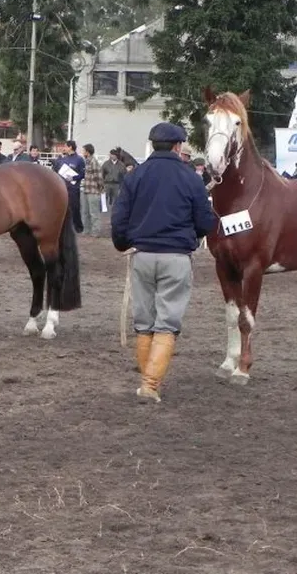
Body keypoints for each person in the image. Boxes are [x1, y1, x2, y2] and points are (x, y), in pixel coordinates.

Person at [110, 122, 218, 403]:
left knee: (144, 322)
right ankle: (150, 385)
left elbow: (119, 218)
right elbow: (205, 222)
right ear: (178, 146)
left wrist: (123, 243)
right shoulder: (191, 178)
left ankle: (146, 382)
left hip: (141, 256)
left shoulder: (136, 176)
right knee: (167, 323)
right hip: (176, 258)